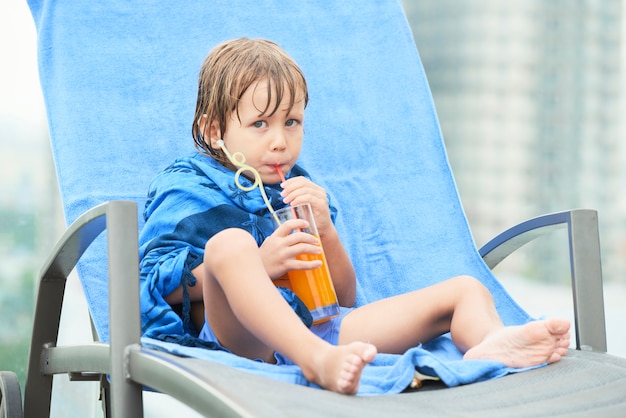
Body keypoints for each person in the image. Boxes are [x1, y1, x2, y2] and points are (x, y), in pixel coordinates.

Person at [139, 37, 571, 395]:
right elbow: (152, 282)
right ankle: (315, 362)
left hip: (321, 329)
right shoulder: (185, 184)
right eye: (260, 125)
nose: (280, 141)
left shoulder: (296, 188)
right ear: (216, 131)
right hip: (244, 341)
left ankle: (491, 345)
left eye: (292, 122)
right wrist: (262, 263)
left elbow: (342, 298)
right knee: (229, 244)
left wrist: (325, 229)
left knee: (465, 289)